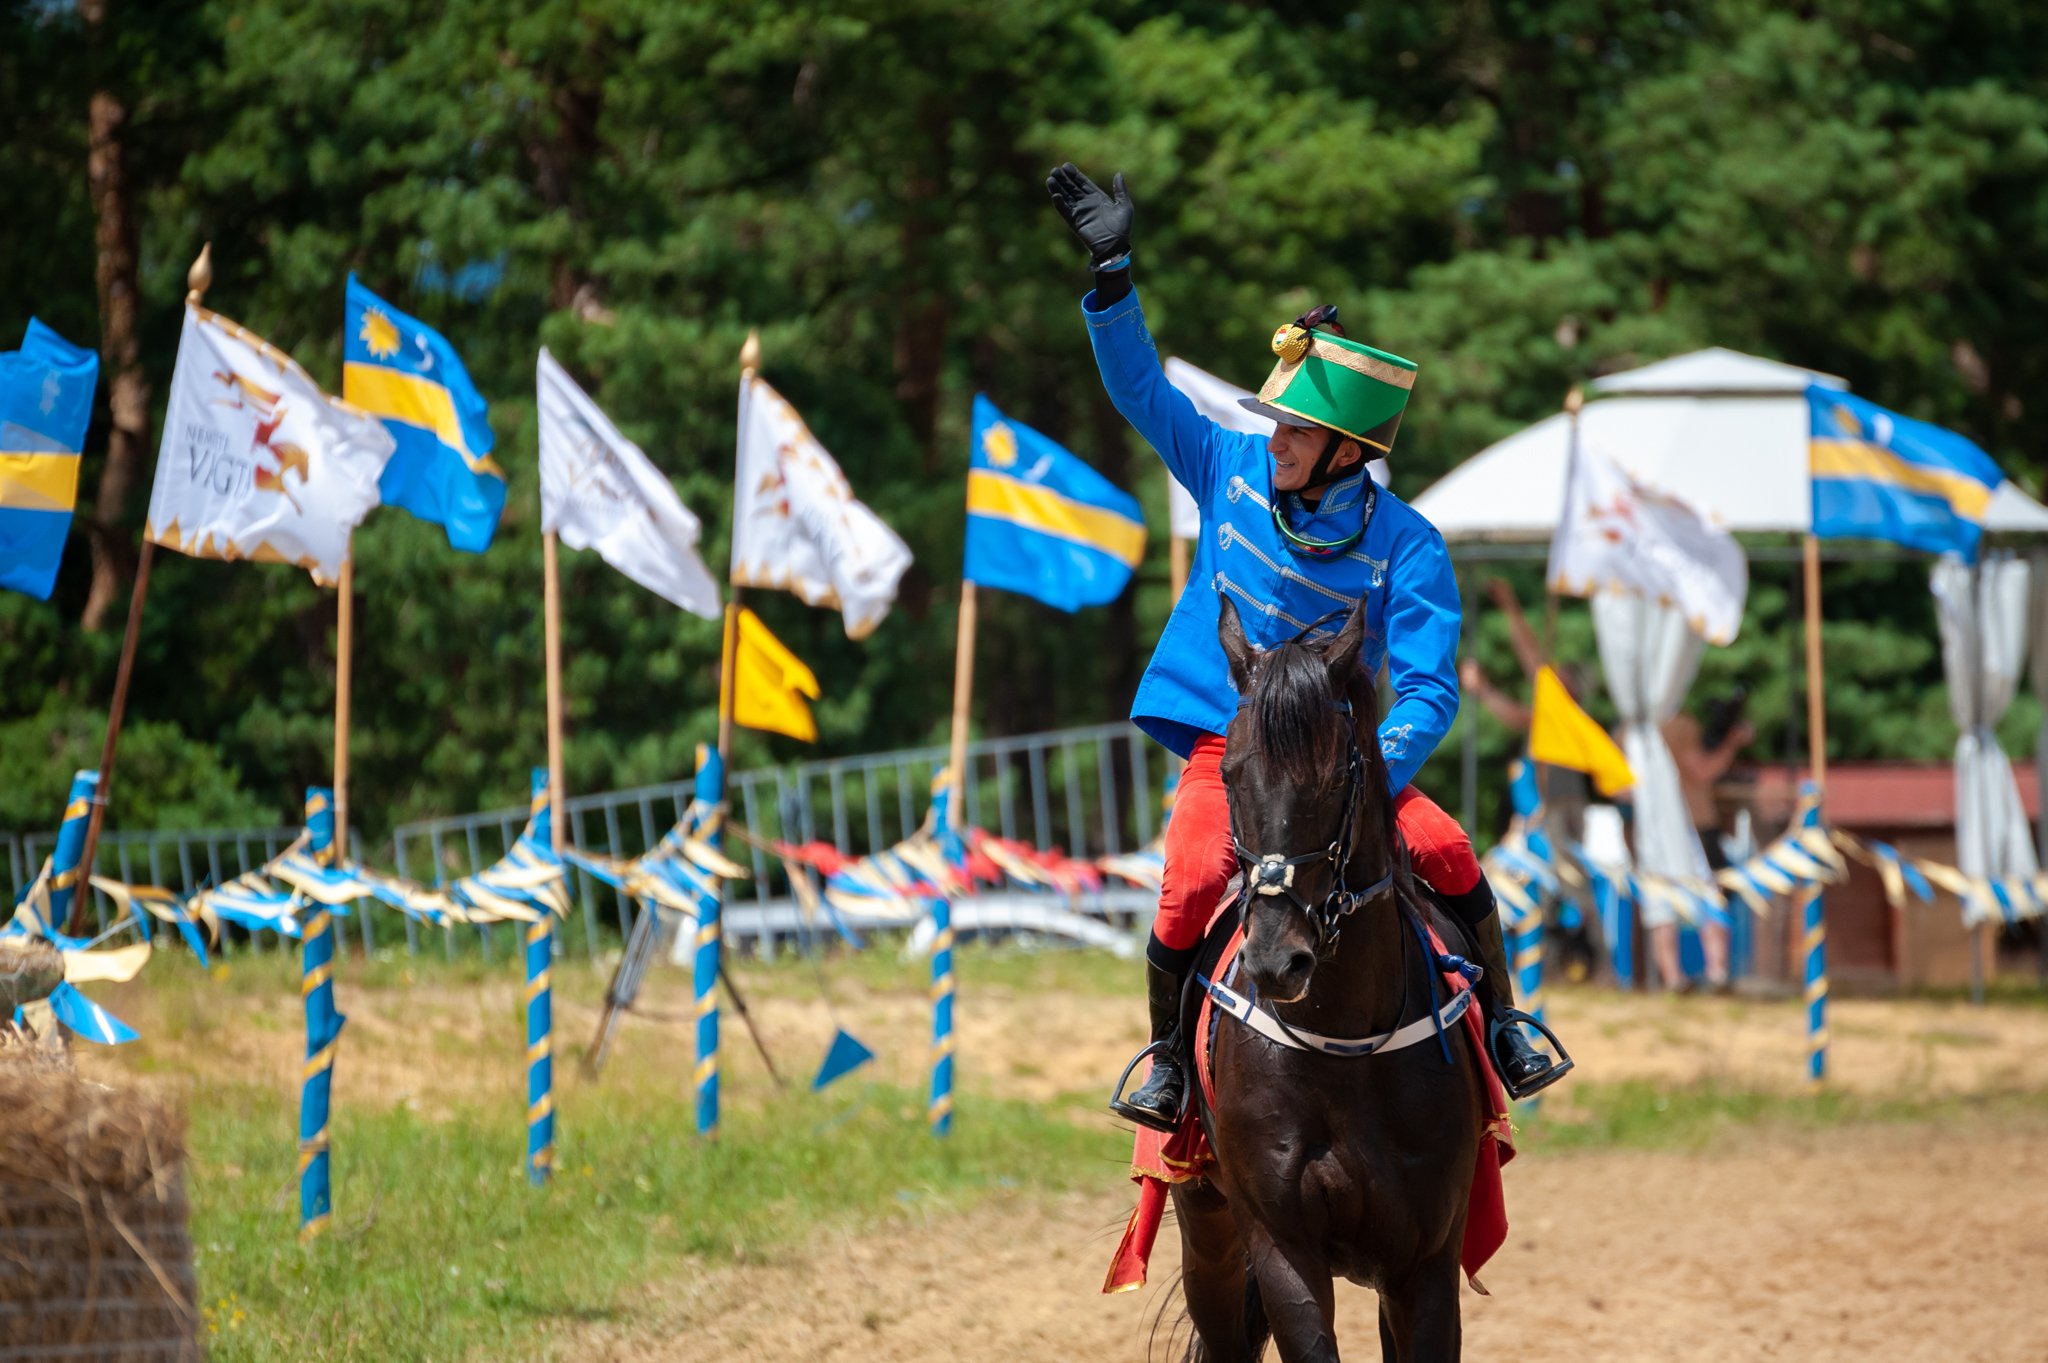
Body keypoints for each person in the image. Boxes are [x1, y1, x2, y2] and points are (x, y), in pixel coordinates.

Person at [1046, 162, 1569, 1130]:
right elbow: (1135, 387)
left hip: (1346, 763)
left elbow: (1425, 691)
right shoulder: (1224, 465)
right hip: (1229, 746)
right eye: (1278, 423)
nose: (1273, 437)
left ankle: (1500, 1030)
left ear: (1345, 450)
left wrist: (1373, 767)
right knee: (1189, 883)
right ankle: (1167, 1065)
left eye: (1294, 427)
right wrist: (1112, 275)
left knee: (1449, 848)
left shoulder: (1406, 544)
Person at [1661, 706, 1753, 992]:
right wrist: (1732, 743)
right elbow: (1703, 770)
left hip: (1659, 824)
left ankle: (1672, 977)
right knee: (1713, 894)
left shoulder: (1637, 721)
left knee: (1661, 900)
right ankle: (1717, 973)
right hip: (1696, 822)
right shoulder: (1681, 723)